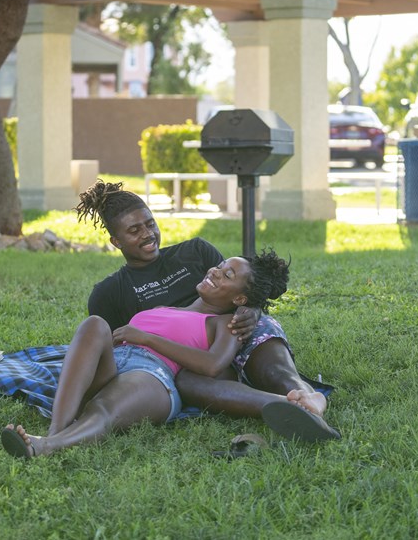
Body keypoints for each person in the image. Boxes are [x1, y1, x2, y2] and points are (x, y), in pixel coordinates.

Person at [1, 249, 336, 458]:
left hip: (154, 377)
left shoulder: (226, 323)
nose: (215, 271)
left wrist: (146, 338)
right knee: (93, 324)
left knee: (103, 409)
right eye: (220, 266)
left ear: (239, 299)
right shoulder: (166, 308)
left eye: (227, 274)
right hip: (116, 362)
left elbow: (212, 365)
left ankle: (45, 446)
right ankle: (57, 430)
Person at [76, 180, 334, 426]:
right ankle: (285, 408)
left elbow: (245, 286)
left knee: (273, 369)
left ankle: (307, 398)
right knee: (188, 382)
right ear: (116, 241)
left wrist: (252, 311)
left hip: (234, 330)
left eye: (150, 224)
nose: (148, 234)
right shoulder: (109, 293)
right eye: (134, 230)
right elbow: (120, 352)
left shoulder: (195, 251)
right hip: (186, 358)